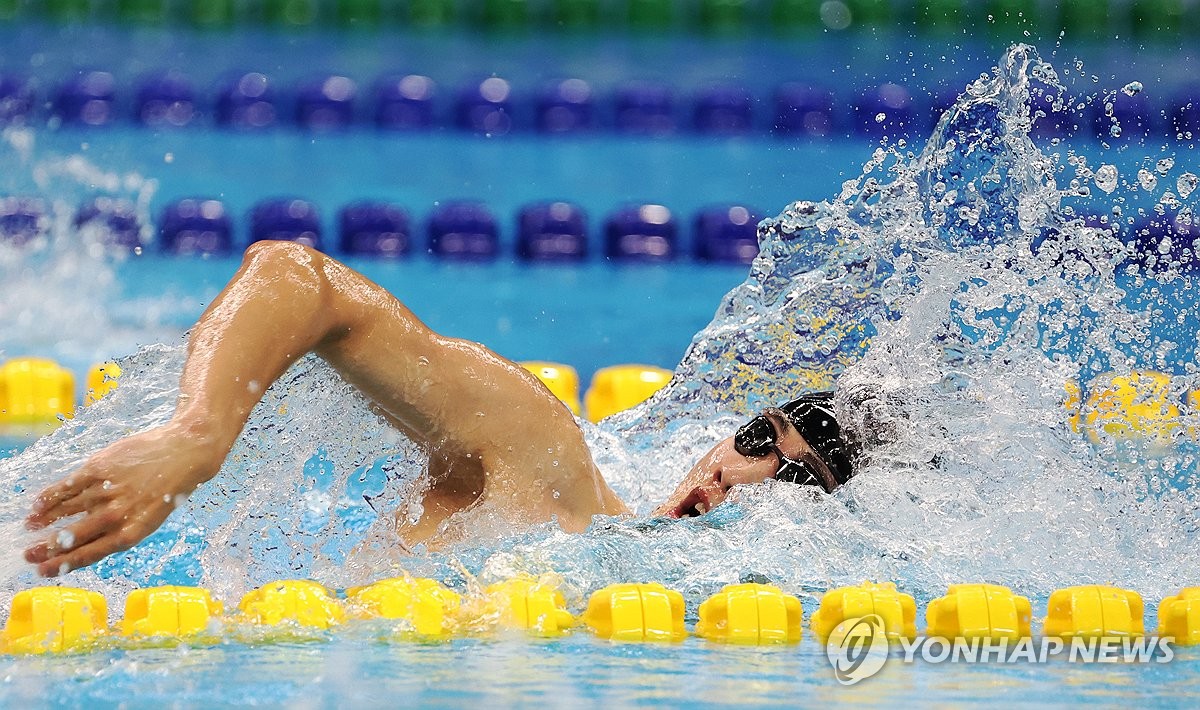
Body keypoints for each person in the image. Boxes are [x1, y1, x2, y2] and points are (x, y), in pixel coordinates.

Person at [23, 241, 857, 578]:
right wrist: (198, 435)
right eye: (757, 438)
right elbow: (297, 277)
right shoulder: (549, 462)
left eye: (794, 482)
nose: (744, 474)